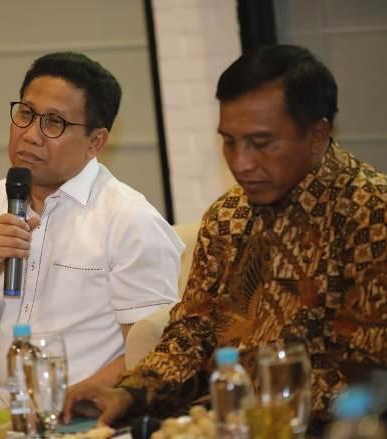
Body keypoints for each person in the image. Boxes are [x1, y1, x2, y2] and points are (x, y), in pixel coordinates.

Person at [63, 44, 387, 428]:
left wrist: (256, 412)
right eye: (229, 141)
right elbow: (193, 333)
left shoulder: (370, 214)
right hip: (223, 420)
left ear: (317, 135)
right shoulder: (230, 214)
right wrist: (131, 393)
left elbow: (369, 378)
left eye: (260, 144)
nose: (241, 162)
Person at [0, 52, 184, 414]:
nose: (30, 135)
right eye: (26, 114)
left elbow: (151, 353)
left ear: (95, 142)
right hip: (1, 409)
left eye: (53, 123)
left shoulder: (130, 218)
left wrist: (67, 400)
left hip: (84, 413)